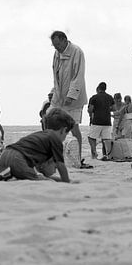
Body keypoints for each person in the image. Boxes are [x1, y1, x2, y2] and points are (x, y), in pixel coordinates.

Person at [0, 108, 75, 182]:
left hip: (5, 154)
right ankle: (4, 177)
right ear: (63, 130)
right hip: (18, 159)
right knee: (38, 180)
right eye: (66, 134)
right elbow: (60, 165)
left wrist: (58, 179)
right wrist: (66, 181)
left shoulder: (40, 136)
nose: (64, 138)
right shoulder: (55, 139)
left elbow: (40, 171)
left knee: (20, 174)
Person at [49, 30, 87, 168]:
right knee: (50, 121)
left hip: (74, 99)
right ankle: (54, 156)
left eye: (58, 45)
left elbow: (79, 75)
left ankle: (78, 158)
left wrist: (71, 95)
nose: (56, 48)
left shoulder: (77, 52)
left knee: (74, 127)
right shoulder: (56, 54)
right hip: (59, 98)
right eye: (54, 46)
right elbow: (56, 76)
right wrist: (54, 93)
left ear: (65, 40)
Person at [87, 82, 115, 159]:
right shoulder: (110, 97)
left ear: (98, 88)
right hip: (107, 121)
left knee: (92, 138)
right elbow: (114, 108)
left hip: (97, 120)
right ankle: (106, 154)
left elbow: (90, 109)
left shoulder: (94, 97)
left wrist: (90, 115)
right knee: (105, 139)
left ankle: (94, 153)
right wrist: (106, 109)